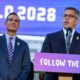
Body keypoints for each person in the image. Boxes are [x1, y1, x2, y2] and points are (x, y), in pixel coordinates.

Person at [41, 7, 80, 80]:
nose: (66, 18)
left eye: (70, 16)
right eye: (65, 15)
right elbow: (44, 59)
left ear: (76, 21)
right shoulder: (51, 37)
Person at [0, 12, 33, 80]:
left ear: (19, 25)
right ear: (5, 23)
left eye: (16, 21)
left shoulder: (24, 45)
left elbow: (26, 67)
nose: (13, 22)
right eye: (10, 20)